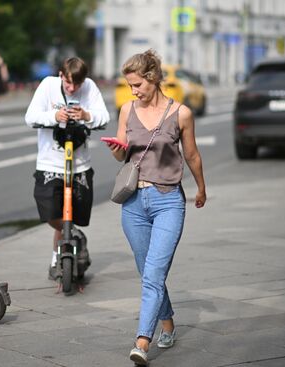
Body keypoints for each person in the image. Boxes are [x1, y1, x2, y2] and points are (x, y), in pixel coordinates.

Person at [103, 49, 206, 366]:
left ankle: (142, 342)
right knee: (148, 272)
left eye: (137, 85)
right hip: (133, 203)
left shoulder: (181, 114)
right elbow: (122, 156)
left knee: (153, 274)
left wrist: (202, 187)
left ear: (153, 78)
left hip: (168, 202)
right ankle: (168, 323)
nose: (133, 91)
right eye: (130, 85)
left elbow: (191, 156)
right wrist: (117, 150)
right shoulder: (126, 110)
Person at [25, 57, 110, 280]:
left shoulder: (89, 87)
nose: (72, 89)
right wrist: (55, 116)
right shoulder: (47, 85)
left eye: (77, 85)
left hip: (80, 165)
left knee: (74, 213)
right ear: (61, 75)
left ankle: (57, 258)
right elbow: (30, 117)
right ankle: (76, 236)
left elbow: (105, 117)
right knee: (51, 212)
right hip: (49, 163)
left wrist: (86, 115)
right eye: (68, 83)